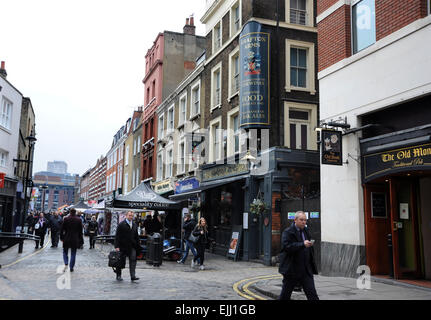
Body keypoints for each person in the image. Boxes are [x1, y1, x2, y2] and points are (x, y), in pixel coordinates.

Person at [278, 211, 319, 300]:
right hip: (292, 269)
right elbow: (286, 247)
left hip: (306, 270)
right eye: (301, 220)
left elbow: (307, 247)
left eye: (305, 220)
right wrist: (302, 244)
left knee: (312, 294)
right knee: (285, 295)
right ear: (295, 220)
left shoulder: (306, 230)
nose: (304, 222)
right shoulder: (288, 232)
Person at [114, 211, 141, 282]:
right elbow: (117, 236)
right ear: (126, 216)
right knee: (120, 261)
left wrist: (138, 245)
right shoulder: (121, 224)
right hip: (122, 246)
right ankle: (118, 275)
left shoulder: (135, 225)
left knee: (133, 260)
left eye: (132, 216)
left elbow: (136, 236)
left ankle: (133, 276)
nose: (131, 217)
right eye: (129, 215)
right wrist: (117, 246)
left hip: (132, 246)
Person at [60, 208, 84, 272]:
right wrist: (81, 240)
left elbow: (62, 229)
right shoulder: (79, 220)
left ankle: (66, 262)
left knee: (65, 252)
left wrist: (61, 237)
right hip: (75, 239)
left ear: (70, 212)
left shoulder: (66, 219)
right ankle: (71, 267)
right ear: (75, 212)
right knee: (73, 253)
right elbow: (80, 231)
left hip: (66, 238)